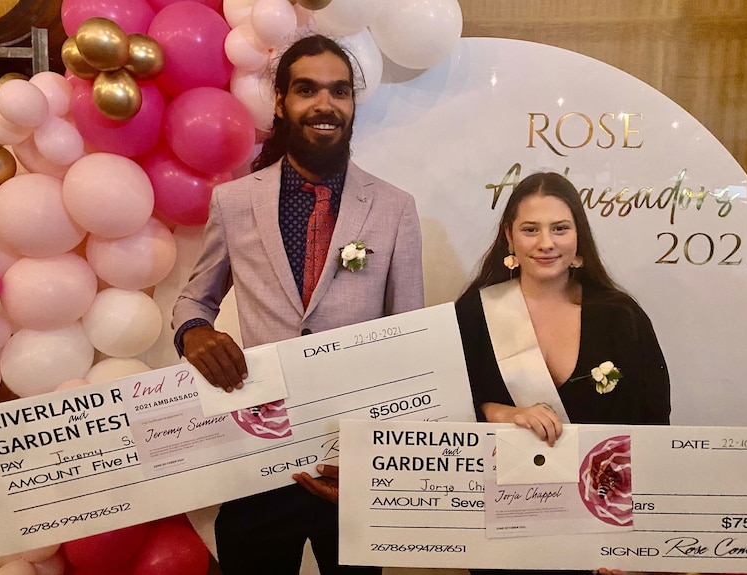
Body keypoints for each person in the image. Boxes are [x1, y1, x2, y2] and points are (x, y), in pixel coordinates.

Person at [172, 34, 424, 575]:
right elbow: (196, 295)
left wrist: (376, 458)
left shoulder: (395, 208)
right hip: (257, 459)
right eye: (306, 89)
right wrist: (196, 331)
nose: (324, 104)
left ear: (353, 104)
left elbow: (408, 349)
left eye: (339, 91)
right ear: (282, 102)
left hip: (351, 466)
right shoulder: (235, 202)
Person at [455, 171, 670, 575]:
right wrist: (498, 412)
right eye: (530, 229)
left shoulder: (621, 317)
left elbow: (654, 426)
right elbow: (446, 418)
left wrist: (633, 541)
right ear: (509, 236)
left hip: (600, 530)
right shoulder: (472, 314)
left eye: (560, 228)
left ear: (578, 237)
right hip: (503, 528)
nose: (546, 243)